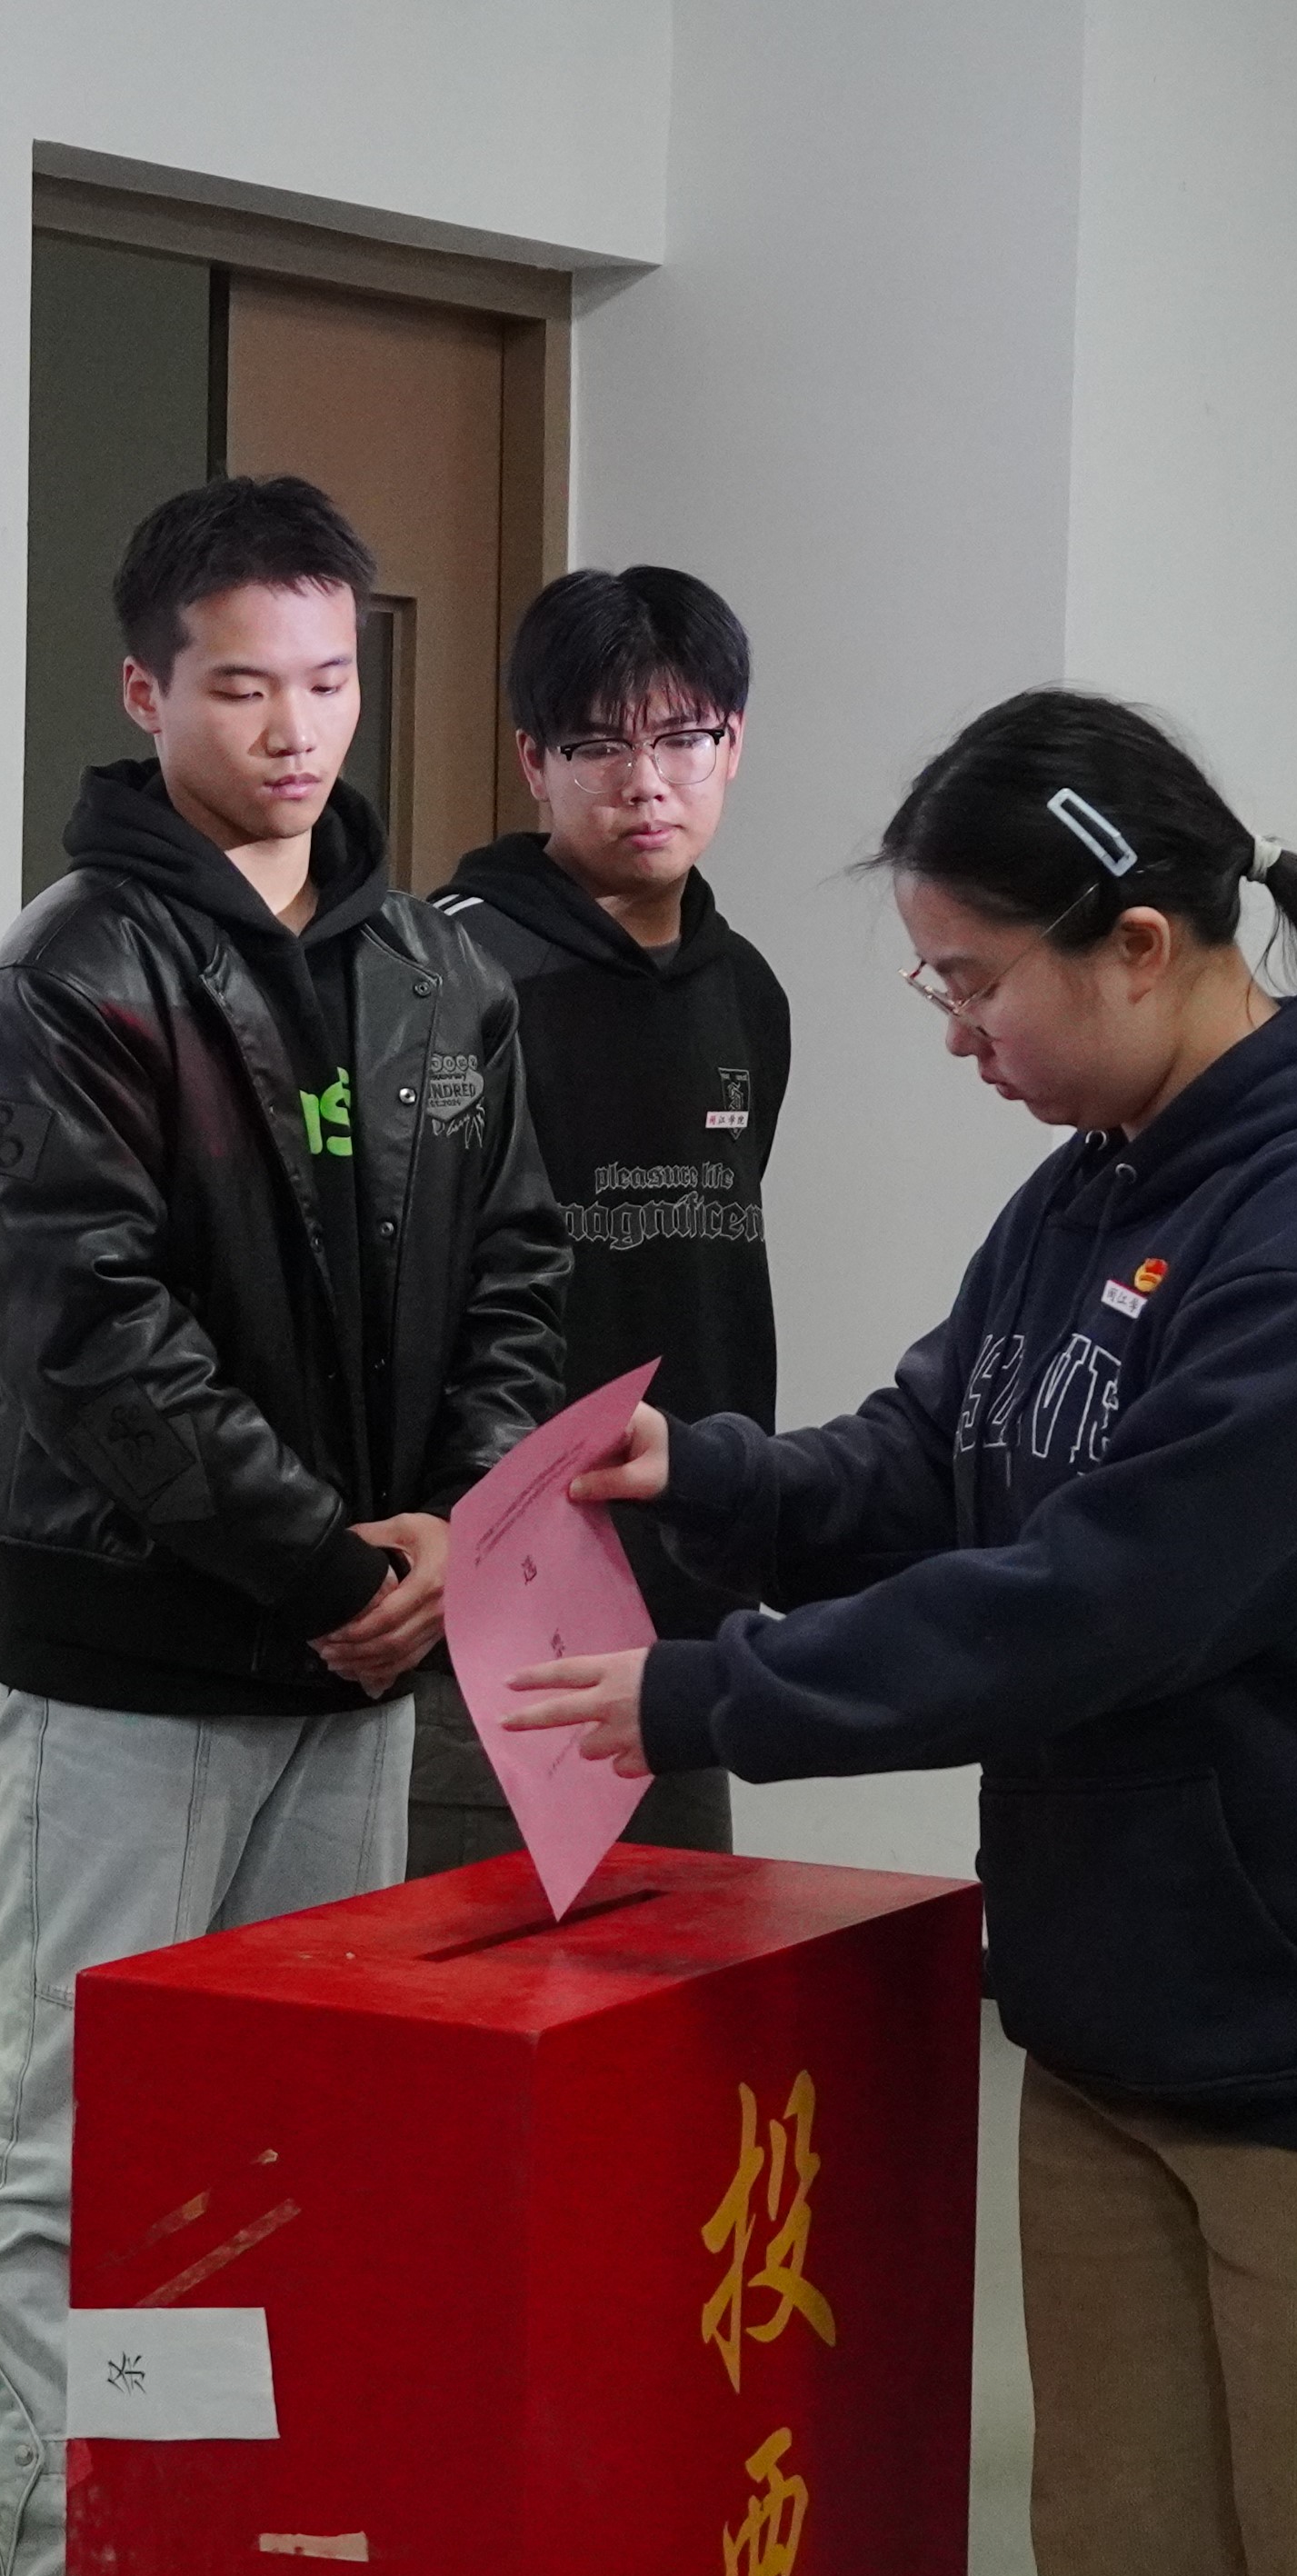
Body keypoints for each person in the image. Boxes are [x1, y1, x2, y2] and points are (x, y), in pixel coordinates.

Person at [511, 689, 1297, 2576]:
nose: (957, 1031)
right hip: (1140, 2017)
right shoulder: (1097, 1184)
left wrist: (711, 1692)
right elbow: (940, 1451)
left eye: (975, 981)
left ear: (1135, 945)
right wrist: (711, 1479)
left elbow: (1109, 1597)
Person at [0, 474, 571, 2576]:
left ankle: (211, 2535)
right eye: (239, 686)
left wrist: (454, 1526)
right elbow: (88, 1341)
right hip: (138, 1662)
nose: (294, 731)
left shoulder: (436, 971)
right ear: (143, 691)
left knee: (278, 2137)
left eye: (325, 681)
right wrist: (329, 1563)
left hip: (358, 1655)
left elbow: (518, 1271)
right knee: (73, 2134)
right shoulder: (63, 980)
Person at [406, 564, 787, 1873]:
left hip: (685, 1602)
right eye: (598, 746)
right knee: (474, 1973)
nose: (647, 781)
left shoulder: (748, 990)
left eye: (684, 737)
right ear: (533, 760)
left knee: (678, 1973)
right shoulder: (440, 974)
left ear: (734, 744)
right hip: (491, 1605)